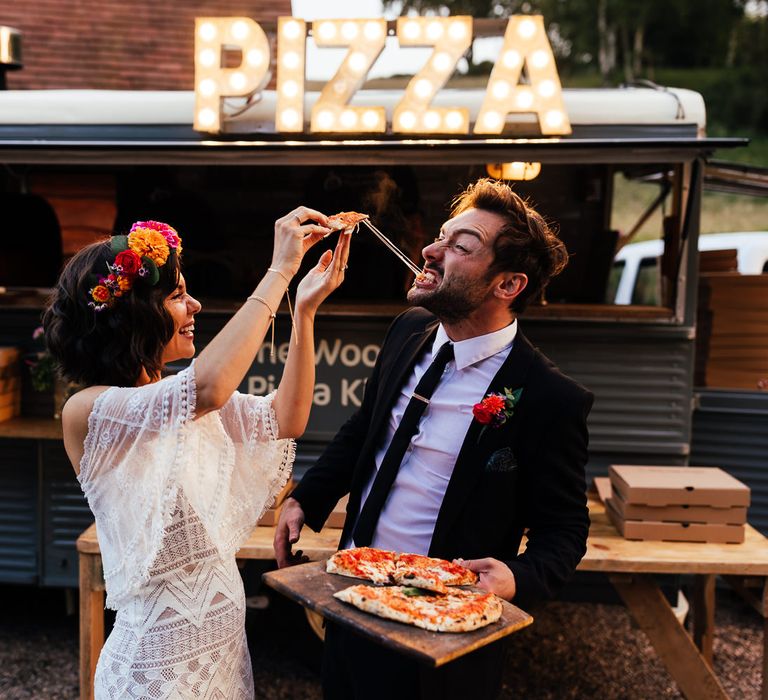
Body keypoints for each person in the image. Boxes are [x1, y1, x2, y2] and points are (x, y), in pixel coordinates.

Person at [274, 179, 594, 700]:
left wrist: (516, 578)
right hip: (351, 600)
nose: (430, 250)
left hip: (440, 643)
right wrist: (307, 498)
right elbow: (366, 428)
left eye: (460, 247)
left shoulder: (548, 398)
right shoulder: (407, 329)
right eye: (441, 236)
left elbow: (564, 530)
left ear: (507, 285)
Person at [44, 209, 349, 699]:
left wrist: (305, 311)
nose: (196, 305)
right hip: (156, 671)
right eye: (177, 296)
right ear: (134, 318)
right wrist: (279, 272)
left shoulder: (177, 402)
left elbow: (284, 419)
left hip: (223, 654)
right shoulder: (91, 410)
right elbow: (207, 386)